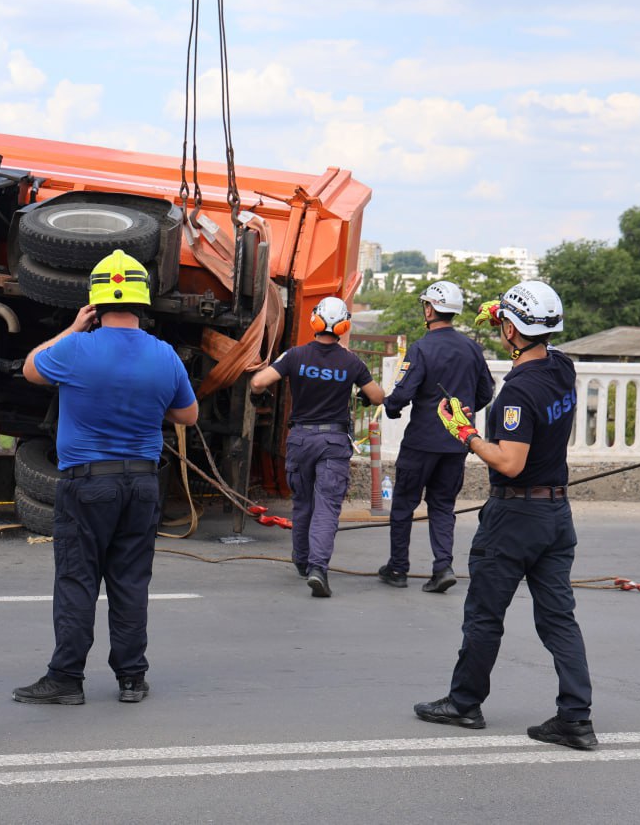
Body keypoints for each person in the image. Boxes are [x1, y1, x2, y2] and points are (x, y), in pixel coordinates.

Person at [413, 280, 597, 751]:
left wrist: (466, 434)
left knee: (484, 615)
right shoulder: (562, 369)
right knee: (559, 620)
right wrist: (509, 314)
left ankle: (464, 703)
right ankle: (576, 719)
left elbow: (510, 462)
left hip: (514, 516)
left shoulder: (517, 393)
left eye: (503, 325)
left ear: (512, 331)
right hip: (556, 513)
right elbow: (538, 345)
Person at [12, 249, 198, 706]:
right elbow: (187, 415)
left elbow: (31, 367)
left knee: (78, 580)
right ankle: (132, 678)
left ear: (95, 299)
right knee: (130, 581)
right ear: (142, 298)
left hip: (88, 484)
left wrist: (73, 328)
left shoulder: (77, 348)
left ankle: (66, 679)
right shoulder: (165, 355)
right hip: (141, 484)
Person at [250, 297, 384, 598]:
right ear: (344, 326)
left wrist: (258, 396)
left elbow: (259, 381)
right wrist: (363, 394)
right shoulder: (351, 362)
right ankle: (318, 568)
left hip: (300, 441)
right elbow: (377, 397)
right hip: (333, 443)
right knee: (327, 506)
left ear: (315, 321)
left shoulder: (295, 356)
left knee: (303, 504)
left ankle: (301, 562)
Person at [379, 280, 493, 593]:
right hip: (456, 444)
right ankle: (443, 566)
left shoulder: (421, 348)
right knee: (442, 505)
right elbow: (485, 392)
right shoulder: (472, 348)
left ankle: (398, 569)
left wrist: (390, 408)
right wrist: (459, 419)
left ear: (430, 309)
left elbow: (403, 393)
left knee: (404, 504)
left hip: (420, 443)